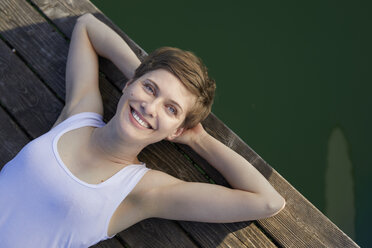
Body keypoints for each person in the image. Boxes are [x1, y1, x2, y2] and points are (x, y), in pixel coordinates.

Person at [0, 13, 285, 247]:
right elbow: (87, 26)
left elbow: (268, 201)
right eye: (150, 89)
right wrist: (142, 77)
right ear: (129, 84)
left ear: (176, 130)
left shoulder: (142, 191)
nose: (151, 108)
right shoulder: (79, 113)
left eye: (171, 109)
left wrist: (198, 138)